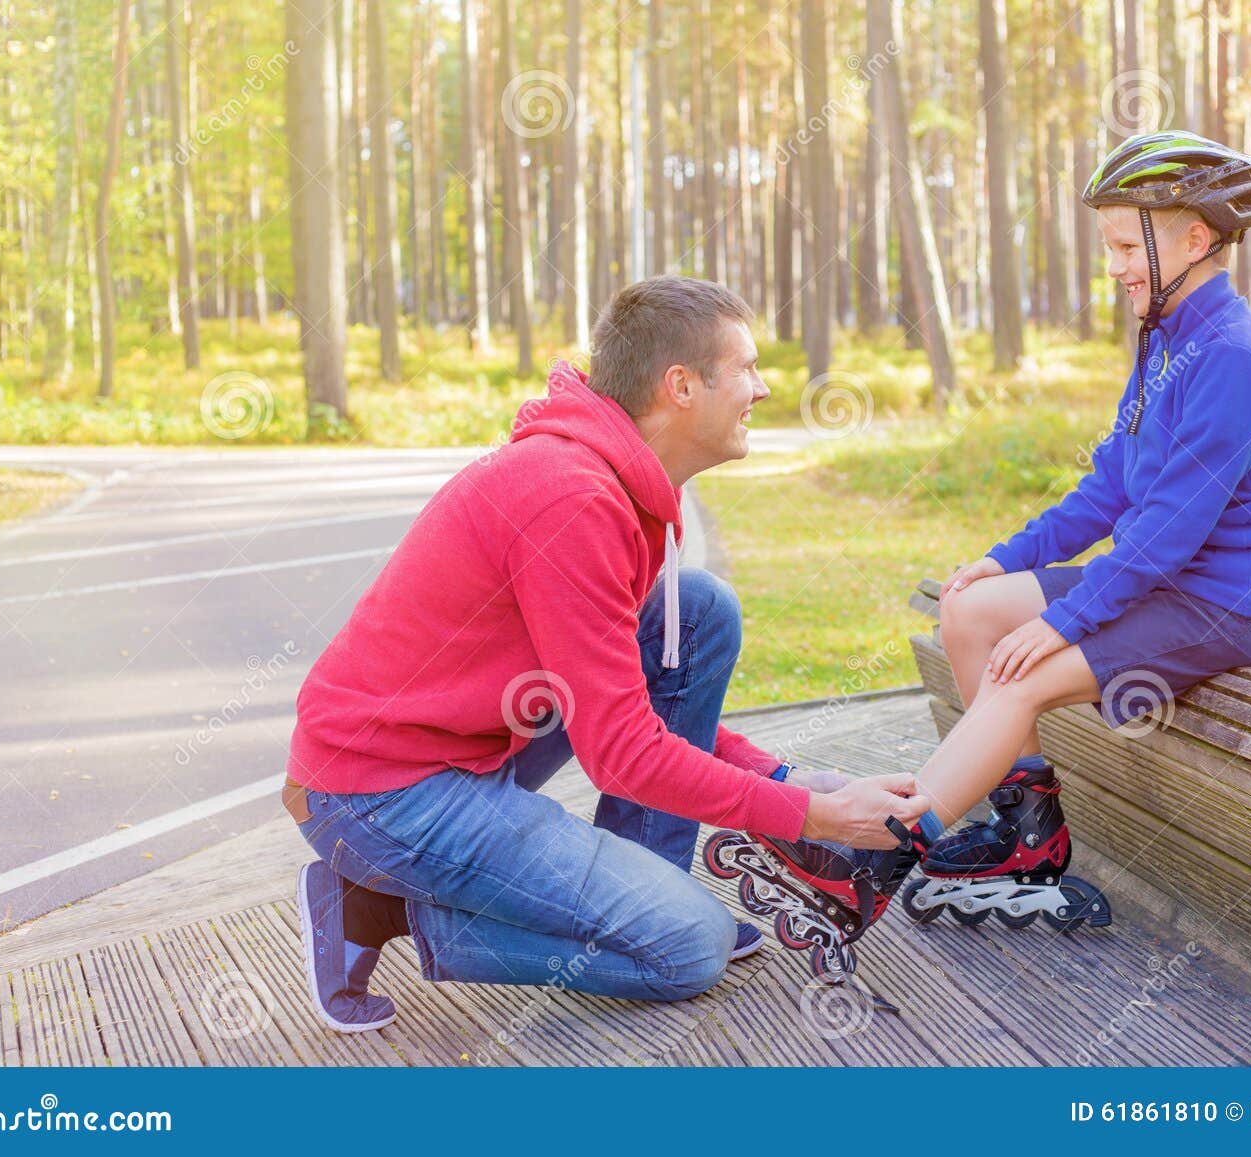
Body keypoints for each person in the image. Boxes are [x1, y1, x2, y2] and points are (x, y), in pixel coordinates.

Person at [281, 275, 929, 1032]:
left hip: (464, 754)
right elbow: (622, 751)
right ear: (680, 385)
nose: (764, 387)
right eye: (747, 367)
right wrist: (814, 815)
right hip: (380, 793)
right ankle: (369, 907)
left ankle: (644, 884)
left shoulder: (615, 483)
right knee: (690, 948)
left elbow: (621, 698)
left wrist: (787, 781)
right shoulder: (574, 497)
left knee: (702, 612)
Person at [722, 131, 1251, 941]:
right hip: (1168, 580)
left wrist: (1060, 622)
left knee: (1020, 674)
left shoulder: (1234, 356)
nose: (1113, 268)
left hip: (1228, 601)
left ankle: (878, 855)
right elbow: (1110, 485)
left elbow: (1170, 534)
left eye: (1120, 245)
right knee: (971, 611)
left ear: (1195, 238)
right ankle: (1024, 834)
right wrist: (1005, 559)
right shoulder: (1166, 338)